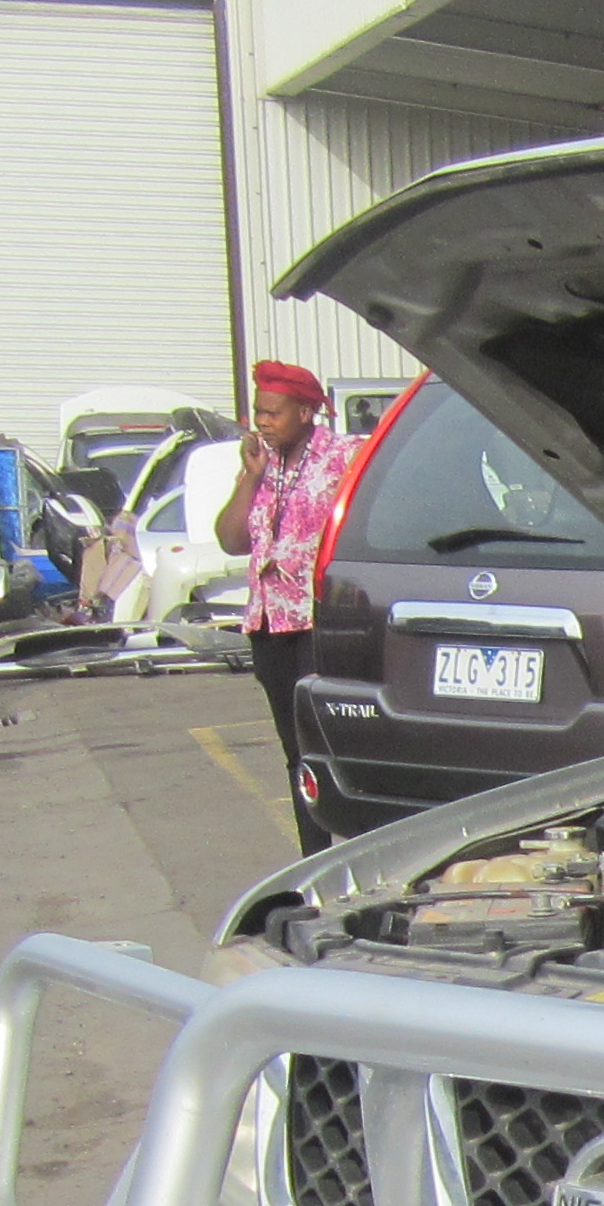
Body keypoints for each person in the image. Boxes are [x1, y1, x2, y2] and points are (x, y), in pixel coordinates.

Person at [218, 359, 361, 847]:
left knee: (331, 744)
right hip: (270, 624)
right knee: (295, 750)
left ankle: (362, 848)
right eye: (258, 412)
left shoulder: (344, 457)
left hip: (319, 621)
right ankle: (313, 859)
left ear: (305, 412)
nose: (262, 422)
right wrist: (249, 479)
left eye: (273, 413)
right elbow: (232, 540)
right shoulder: (263, 466)